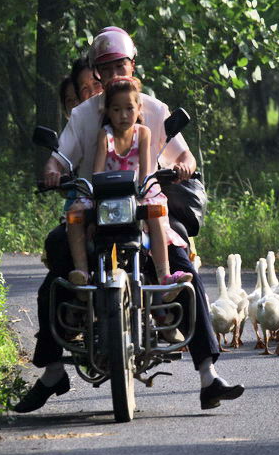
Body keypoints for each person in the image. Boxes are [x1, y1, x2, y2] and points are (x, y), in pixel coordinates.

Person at [14, 26, 243, 413]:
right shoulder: (85, 114)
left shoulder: (152, 108)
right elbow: (62, 155)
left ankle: (207, 375)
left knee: (184, 265)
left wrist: (184, 167)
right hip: (95, 213)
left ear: (133, 65)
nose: (116, 72)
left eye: (121, 63)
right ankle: (54, 370)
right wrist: (53, 169)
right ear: (96, 75)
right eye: (106, 67)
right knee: (55, 269)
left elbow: (183, 155)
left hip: (143, 210)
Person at [65, 74, 193, 296]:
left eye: (128, 108)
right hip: (107, 195)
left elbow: (145, 170)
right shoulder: (105, 135)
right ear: (107, 111)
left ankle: (164, 275)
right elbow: (98, 171)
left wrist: (143, 193)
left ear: (139, 108)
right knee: (75, 212)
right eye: (116, 109)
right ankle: (82, 273)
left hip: (138, 192)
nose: (123, 115)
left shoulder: (143, 133)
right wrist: (95, 198)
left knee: (156, 214)